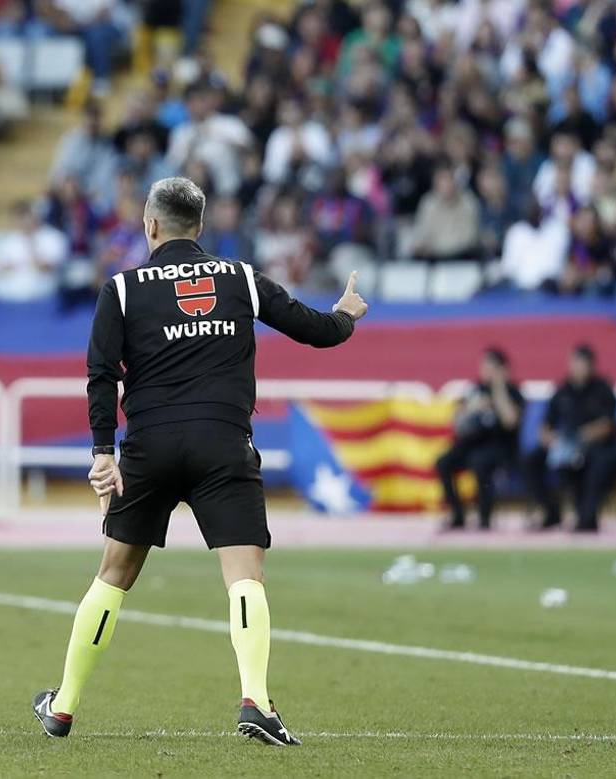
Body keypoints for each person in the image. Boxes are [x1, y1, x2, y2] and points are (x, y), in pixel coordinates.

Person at [32, 177, 368, 744]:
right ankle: (256, 702)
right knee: (245, 575)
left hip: (151, 447)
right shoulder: (238, 277)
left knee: (114, 573)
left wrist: (101, 452)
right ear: (202, 228)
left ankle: (63, 706)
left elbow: (100, 374)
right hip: (222, 443)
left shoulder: (121, 287)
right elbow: (313, 330)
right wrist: (346, 315)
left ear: (151, 225)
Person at [527, 344, 616, 532]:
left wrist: (581, 436)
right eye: (575, 363)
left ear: (591, 365)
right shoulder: (563, 390)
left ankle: (587, 517)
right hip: (566, 443)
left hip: (597, 445)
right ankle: (551, 511)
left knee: (597, 462)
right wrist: (549, 437)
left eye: (582, 363)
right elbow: (547, 423)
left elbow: (608, 425)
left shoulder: (602, 389)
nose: (578, 368)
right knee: (531, 459)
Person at [436, 348, 525, 531]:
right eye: (483, 365)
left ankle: (485, 518)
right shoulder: (475, 391)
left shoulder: (513, 392)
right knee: (443, 462)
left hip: (500, 447)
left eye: (489, 366)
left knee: (480, 463)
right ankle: (457, 514)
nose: (484, 370)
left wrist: (498, 389)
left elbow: (510, 421)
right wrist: (472, 408)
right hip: (472, 443)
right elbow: (457, 423)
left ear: (502, 369)